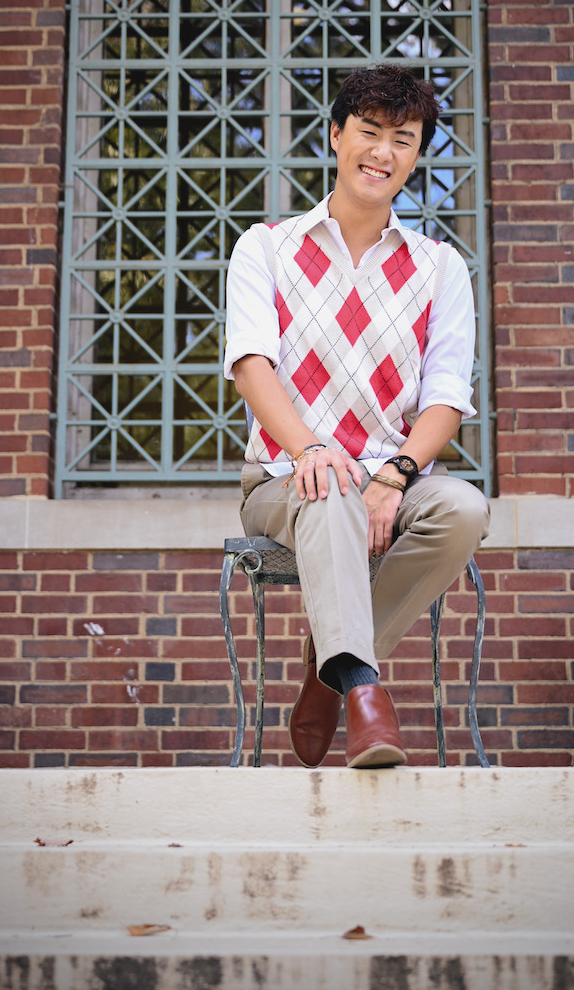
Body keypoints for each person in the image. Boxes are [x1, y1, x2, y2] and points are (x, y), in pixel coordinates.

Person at [223, 63, 490, 769]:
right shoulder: (267, 248)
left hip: (388, 480)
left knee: (461, 508)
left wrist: (397, 474)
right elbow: (252, 368)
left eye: (401, 139)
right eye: (367, 132)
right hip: (286, 474)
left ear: (416, 153)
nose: (382, 152)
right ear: (336, 135)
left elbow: (444, 396)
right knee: (327, 483)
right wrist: (313, 450)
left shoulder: (439, 268)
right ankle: (365, 690)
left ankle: (328, 669)